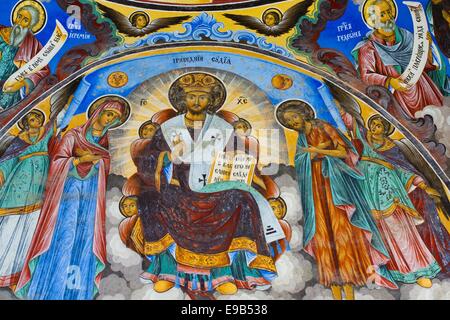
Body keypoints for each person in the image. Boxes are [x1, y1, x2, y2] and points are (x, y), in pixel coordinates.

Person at [135, 72, 285, 295]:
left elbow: (238, 156)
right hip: (177, 185)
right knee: (149, 200)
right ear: (182, 99)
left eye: (202, 97)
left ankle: (226, 273)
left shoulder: (222, 128)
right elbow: (148, 160)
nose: (196, 101)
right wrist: (166, 158)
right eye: (191, 96)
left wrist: (235, 166)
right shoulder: (169, 127)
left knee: (242, 199)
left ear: (211, 100)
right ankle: (167, 270)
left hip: (216, 185)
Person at [276, 100, 396, 300]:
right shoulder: (302, 138)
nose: (293, 122)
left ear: (303, 113)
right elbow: (300, 160)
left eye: (294, 117)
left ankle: (349, 290)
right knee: (324, 236)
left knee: (342, 233)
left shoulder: (323, 126)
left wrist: (318, 151)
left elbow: (344, 152)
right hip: (316, 192)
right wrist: (311, 154)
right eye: (289, 121)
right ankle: (335, 292)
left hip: (335, 188)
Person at [15, 98, 128, 300]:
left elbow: (105, 168)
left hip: (90, 200)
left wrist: (97, 164)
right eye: (109, 114)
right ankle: (49, 291)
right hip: (66, 197)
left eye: (115, 119)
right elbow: (57, 163)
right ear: (98, 112)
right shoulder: (73, 136)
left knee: (83, 241)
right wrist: (78, 161)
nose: (110, 120)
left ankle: (74, 294)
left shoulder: (105, 145)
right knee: (63, 238)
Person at [354, 114, 441, 287]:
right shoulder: (361, 141)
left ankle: (420, 270)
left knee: (403, 234)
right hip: (370, 197)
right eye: (373, 124)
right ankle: (395, 271)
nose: (375, 128)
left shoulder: (391, 149)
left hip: (392, 197)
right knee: (383, 236)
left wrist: (424, 186)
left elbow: (404, 171)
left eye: (379, 126)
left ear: (386, 130)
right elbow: (349, 121)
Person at [352, 0, 443, 117]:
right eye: (383, 14)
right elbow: (366, 76)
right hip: (397, 98)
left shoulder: (406, 35)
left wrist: (427, 47)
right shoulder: (368, 48)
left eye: (389, 12)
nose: (389, 17)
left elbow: (424, 65)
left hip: (423, 89)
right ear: (373, 20)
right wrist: (390, 81)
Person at [0, 110, 55, 287]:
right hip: (18, 186)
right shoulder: (18, 141)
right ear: (25, 123)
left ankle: (17, 274)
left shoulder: (46, 133)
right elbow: (7, 163)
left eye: (39, 117)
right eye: (32, 118)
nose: (36, 120)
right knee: (10, 225)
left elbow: (60, 119)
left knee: (29, 227)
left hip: (38, 187)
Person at [0, 4, 50, 110]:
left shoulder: (32, 44)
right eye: (19, 16)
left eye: (25, 20)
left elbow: (42, 69)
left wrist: (24, 82)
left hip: (9, 90)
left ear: (31, 25)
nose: (19, 22)